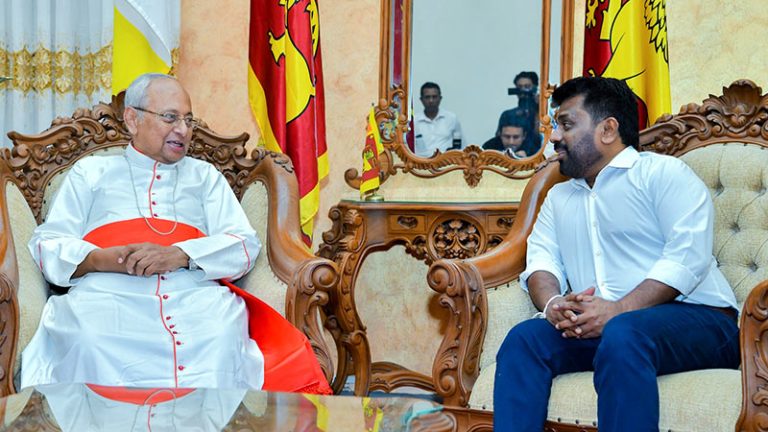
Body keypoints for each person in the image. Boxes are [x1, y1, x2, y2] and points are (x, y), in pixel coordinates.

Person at [21, 73, 331, 394]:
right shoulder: (90, 172)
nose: (183, 130)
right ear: (132, 119)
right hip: (108, 294)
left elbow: (243, 245)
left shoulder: (204, 176)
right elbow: (49, 243)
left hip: (193, 294)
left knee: (221, 333)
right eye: (170, 118)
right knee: (89, 335)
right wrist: (103, 259)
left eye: (188, 120)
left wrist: (181, 255)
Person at [493, 77, 739, 431]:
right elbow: (542, 263)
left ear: (608, 129)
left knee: (624, 332)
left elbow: (687, 258)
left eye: (566, 124)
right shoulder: (560, 198)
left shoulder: (663, 175)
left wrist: (619, 309)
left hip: (701, 322)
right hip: (605, 329)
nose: (555, 137)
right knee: (524, 340)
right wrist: (553, 306)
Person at [413, 82, 462, 157]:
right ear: (421, 99)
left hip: (446, 164)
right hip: (420, 165)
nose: (431, 101)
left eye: (434, 97)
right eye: (427, 97)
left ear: (440, 98)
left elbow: (460, 146)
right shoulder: (413, 121)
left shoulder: (451, 118)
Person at [497, 71, 542, 153]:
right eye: (520, 87)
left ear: (535, 88)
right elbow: (500, 141)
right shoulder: (508, 115)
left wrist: (540, 108)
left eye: (527, 86)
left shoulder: (542, 114)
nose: (523, 91)